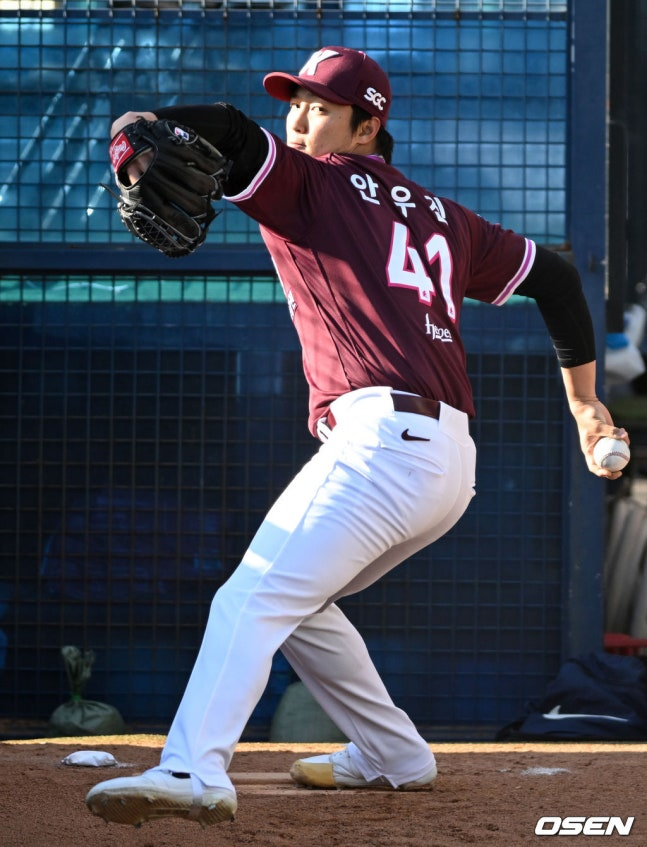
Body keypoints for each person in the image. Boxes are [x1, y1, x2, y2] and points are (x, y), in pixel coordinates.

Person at [86, 46, 629, 827]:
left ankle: (193, 768)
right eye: (294, 103)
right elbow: (554, 278)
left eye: (319, 106)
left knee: (251, 594)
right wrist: (582, 404)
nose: (299, 120)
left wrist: (140, 125)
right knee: (300, 603)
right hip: (442, 464)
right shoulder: (444, 215)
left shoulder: (314, 181)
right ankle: (391, 753)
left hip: (383, 443)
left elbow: (233, 134)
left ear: (367, 124)